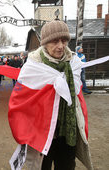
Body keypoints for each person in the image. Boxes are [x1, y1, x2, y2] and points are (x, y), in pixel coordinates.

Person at [8, 20, 93, 170]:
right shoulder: (33, 66)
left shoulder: (74, 64)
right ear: (45, 43)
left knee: (66, 166)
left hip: (68, 132)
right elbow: (19, 100)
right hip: (42, 133)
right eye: (55, 41)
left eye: (64, 40)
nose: (60, 46)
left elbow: (77, 96)